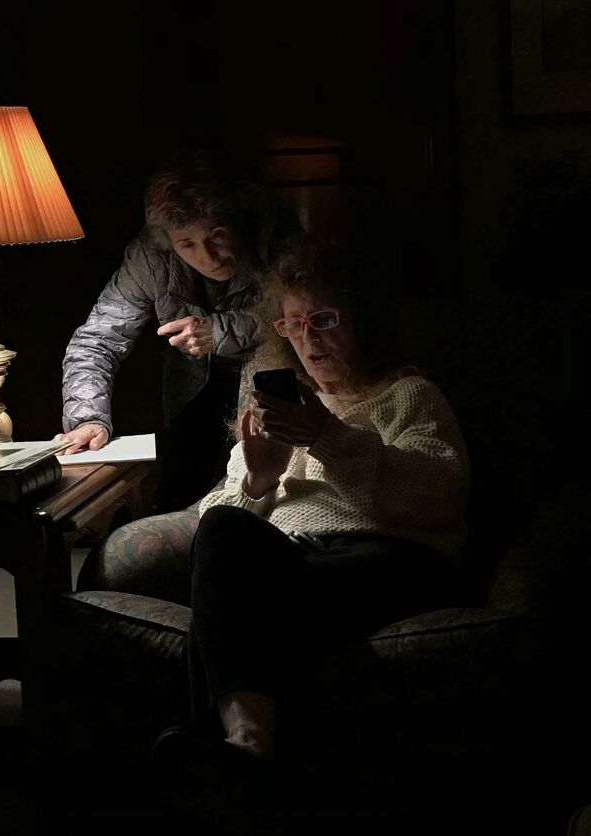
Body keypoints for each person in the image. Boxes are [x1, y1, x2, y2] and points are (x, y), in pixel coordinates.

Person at [152, 238, 471, 816]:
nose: (309, 337)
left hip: (390, 560)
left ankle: (243, 765)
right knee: (226, 536)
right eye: (294, 324)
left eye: (323, 319)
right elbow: (214, 530)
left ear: (360, 322)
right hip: (296, 568)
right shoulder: (273, 416)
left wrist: (326, 436)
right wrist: (260, 483)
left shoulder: (408, 396)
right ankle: (244, 759)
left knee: (230, 611)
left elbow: (437, 488)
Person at [57, 149, 300, 512]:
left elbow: (299, 315)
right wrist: (88, 417)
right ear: (168, 242)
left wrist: (218, 331)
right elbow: (97, 341)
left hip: (273, 388)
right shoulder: (149, 258)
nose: (209, 257)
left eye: (216, 236)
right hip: (192, 396)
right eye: (188, 244)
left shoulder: (272, 230)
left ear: (233, 220)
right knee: (175, 504)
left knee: (260, 505)